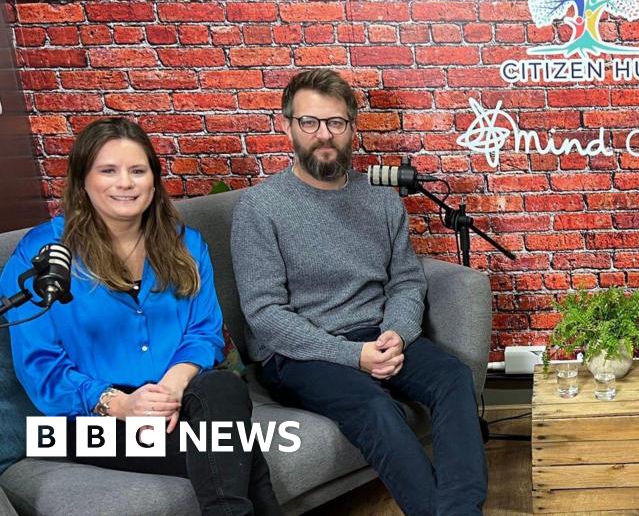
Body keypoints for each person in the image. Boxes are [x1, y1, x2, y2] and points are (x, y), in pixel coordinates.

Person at [231, 68, 486, 516]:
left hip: (378, 334)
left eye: (336, 123)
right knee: (374, 405)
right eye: (310, 122)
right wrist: (354, 357)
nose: (323, 135)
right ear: (288, 125)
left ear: (352, 128)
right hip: (299, 354)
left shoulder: (381, 197)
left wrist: (397, 332)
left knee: (452, 377)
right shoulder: (260, 207)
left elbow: (406, 280)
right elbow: (266, 315)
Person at [2, 117, 280, 515]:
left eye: (137, 170)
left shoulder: (186, 243)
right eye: (108, 171)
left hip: (174, 396)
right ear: (83, 181)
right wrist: (120, 406)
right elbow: (41, 368)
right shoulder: (43, 253)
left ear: (153, 179)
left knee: (226, 390)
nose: (125, 183)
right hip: (83, 421)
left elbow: (203, 333)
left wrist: (169, 389)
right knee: (233, 453)